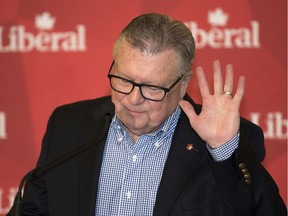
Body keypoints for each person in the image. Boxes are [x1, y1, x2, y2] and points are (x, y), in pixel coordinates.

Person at [8, 13, 286, 216]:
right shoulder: (68, 126)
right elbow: (32, 210)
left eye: (152, 88)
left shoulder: (224, 142)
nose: (132, 98)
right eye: (124, 79)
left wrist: (223, 150)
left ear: (182, 85)